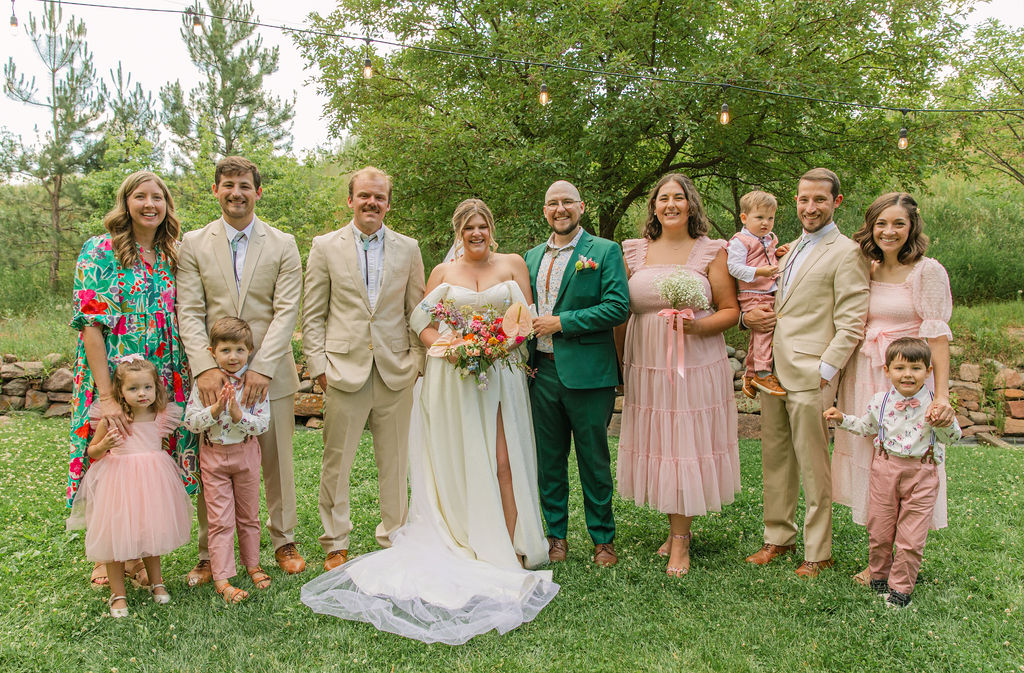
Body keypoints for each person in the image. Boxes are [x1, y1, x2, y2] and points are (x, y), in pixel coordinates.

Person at [301, 199, 558, 645]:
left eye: (482, 225)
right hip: (455, 377)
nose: (476, 233)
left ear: (491, 228)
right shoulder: (442, 274)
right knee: (458, 458)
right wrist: (451, 346)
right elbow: (419, 321)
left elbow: (526, 321)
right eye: (468, 227)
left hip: (501, 375)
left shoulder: (514, 263)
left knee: (503, 460)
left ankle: (513, 547)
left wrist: (498, 345)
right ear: (459, 232)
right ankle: (462, 536)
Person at [177, 156, 306, 583]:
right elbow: (190, 310)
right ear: (215, 190)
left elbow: (287, 311)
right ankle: (208, 551)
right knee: (213, 458)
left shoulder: (283, 243)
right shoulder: (193, 244)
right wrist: (203, 368)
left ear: (258, 191)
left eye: (245, 186)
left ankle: (283, 539)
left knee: (276, 461)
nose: (236, 193)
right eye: (228, 185)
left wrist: (262, 368)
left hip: (271, 374)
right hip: (213, 375)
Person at [68, 171, 198, 590]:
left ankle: (143, 552)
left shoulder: (172, 253)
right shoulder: (99, 251)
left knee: (150, 465)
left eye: (157, 197)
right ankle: (112, 555)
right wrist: (106, 397)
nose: (149, 205)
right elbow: (90, 325)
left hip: (162, 377)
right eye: (139, 197)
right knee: (113, 461)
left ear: (167, 205)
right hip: (113, 376)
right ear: (125, 203)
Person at [743, 167, 869, 577]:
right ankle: (778, 537)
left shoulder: (847, 251)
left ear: (837, 202)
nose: (809, 207)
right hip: (774, 371)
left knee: (814, 464)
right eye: (802, 199)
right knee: (775, 458)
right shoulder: (789, 248)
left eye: (819, 199)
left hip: (812, 373)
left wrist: (825, 371)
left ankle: (818, 550)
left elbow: (852, 321)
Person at [616, 173, 741, 577]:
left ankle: (681, 541)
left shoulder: (711, 251)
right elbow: (622, 311)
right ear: (653, 206)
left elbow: (730, 310)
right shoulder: (633, 251)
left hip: (695, 361)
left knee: (685, 439)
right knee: (662, 440)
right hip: (647, 361)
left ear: (691, 205)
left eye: (679, 198)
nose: (671, 204)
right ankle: (675, 527)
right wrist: (621, 363)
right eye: (663, 198)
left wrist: (698, 327)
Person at [301, 166, 425, 571]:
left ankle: (396, 537)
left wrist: (417, 361)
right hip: (342, 370)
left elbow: (417, 309)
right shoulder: (324, 246)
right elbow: (313, 312)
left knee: (395, 461)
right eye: (364, 196)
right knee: (336, 462)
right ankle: (335, 541)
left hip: (395, 370)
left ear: (388, 203)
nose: (372, 202)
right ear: (350, 200)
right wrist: (318, 364)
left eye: (380, 197)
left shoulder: (409, 248)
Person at [831, 192, 956, 585]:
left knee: (907, 463)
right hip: (865, 376)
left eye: (898, 224)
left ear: (911, 227)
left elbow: (937, 338)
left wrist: (942, 394)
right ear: (870, 227)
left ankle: (904, 557)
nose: (889, 231)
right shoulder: (863, 266)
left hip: (907, 384)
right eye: (881, 223)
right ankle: (877, 561)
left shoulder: (926, 271)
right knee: (873, 465)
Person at [525, 180, 630, 566]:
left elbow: (618, 307)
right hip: (541, 374)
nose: (560, 209)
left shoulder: (603, 251)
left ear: (581, 207)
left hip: (589, 374)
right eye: (552, 203)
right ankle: (556, 537)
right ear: (545, 211)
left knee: (594, 461)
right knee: (548, 462)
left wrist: (561, 322)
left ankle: (603, 539)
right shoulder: (530, 257)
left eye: (567, 201)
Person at [824, 337, 961, 609]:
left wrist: (944, 422)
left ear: (928, 372)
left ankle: (900, 589)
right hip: (885, 468)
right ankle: (879, 575)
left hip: (922, 472)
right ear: (887, 371)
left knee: (911, 535)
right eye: (899, 368)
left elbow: (953, 437)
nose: (907, 375)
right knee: (880, 528)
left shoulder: (936, 405)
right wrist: (842, 419)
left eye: (915, 368)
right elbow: (866, 427)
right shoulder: (880, 401)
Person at [67, 356, 193, 618]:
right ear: (120, 392)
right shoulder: (112, 419)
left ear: (156, 387)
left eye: (147, 387)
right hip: (118, 482)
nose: (142, 393)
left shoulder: (160, 417)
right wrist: (104, 446)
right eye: (133, 388)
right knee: (115, 537)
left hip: (152, 482)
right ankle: (118, 593)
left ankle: (157, 582)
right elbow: (93, 452)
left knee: (151, 532)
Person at [183, 317, 271, 603]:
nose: (232, 357)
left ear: (250, 351)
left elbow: (262, 424)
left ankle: (253, 564)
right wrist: (215, 409)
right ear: (212, 352)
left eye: (239, 350)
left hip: (246, 454)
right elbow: (191, 422)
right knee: (220, 519)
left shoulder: (254, 384)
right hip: (214, 457)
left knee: (249, 515)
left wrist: (238, 416)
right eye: (225, 350)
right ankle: (222, 576)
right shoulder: (205, 385)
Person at [726, 190, 790, 398]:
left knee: (760, 332)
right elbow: (734, 268)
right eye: (759, 217)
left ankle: (750, 373)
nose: (766, 223)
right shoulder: (741, 240)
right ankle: (763, 372)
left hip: (766, 291)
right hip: (753, 293)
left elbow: (765, 256)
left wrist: (776, 253)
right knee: (764, 329)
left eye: (770, 218)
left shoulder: (767, 239)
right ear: (744, 218)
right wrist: (759, 271)